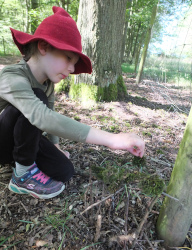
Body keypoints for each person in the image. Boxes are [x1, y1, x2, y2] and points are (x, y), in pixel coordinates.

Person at [0, 6, 145, 199]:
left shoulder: (48, 83)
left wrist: (56, 146)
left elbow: (48, 113)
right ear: (43, 47)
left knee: (64, 170)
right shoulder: (11, 77)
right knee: (37, 98)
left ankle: (20, 163)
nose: (71, 68)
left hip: (20, 139)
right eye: (68, 58)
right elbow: (42, 117)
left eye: (74, 63)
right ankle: (23, 174)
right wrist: (113, 139)